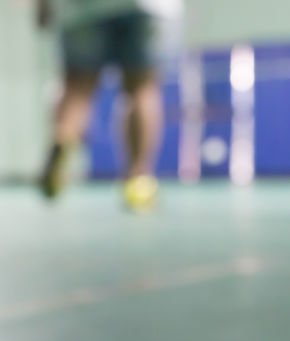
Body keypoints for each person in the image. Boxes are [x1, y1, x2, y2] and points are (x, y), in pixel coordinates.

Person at [36, 0, 182, 211]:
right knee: (141, 87)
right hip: (144, 6)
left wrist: (43, 6)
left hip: (81, 10)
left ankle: (63, 139)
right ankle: (138, 180)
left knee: (77, 88)